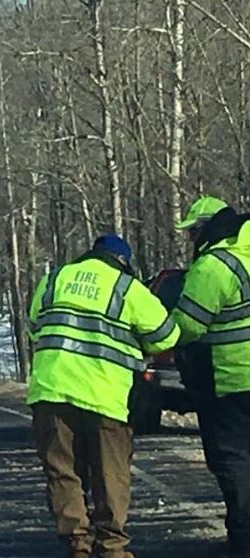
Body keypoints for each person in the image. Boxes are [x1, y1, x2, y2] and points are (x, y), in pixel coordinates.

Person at [27, 234, 180, 558]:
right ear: (123, 261)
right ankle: (112, 548)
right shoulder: (127, 288)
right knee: (111, 475)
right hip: (106, 396)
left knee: (63, 473)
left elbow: (33, 327)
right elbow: (167, 335)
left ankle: (77, 546)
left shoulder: (54, 279)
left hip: (52, 392)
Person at [171, 196, 250, 558]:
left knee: (234, 462)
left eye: (193, 233)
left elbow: (187, 325)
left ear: (204, 230)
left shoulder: (213, 266)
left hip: (232, 382)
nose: (191, 241)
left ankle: (243, 540)